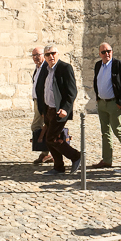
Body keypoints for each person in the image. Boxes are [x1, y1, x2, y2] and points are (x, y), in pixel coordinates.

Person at [39, 45, 81, 176]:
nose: (51, 56)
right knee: (49, 138)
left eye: (53, 53)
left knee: (52, 138)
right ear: (44, 57)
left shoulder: (65, 68)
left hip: (59, 110)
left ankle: (76, 156)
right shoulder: (46, 69)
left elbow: (72, 92)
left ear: (58, 54)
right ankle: (58, 167)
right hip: (49, 109)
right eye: (47, 54)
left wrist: (65, 109)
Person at [91, 42, 121, 169]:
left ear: (112, 52)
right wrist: (98, 98)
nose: (106, 54)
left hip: (114, 104)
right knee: (105, 132)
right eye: (103, 52)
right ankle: (107, 160)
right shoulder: (98, 65)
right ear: (99, 54)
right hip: (102, 103)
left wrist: (120, 103)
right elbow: (96, 82)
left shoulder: (118, 65)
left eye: (108, 51)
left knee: (118, 130)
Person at [31, 47, 52, 164]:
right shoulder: (37, 68)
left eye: (38, 55)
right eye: (33, 55)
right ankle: (47, 152)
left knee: (36, 127)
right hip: (37, 101)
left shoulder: (46, 68)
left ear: (43, 55)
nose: (36, 57)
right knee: (44, 127)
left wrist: (44, 107)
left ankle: (46, 151)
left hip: (43, 102)